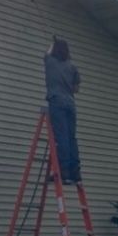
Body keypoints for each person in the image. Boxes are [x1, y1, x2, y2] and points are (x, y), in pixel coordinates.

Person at [44, 37, 81, 184]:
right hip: (71, 104)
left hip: (57, 102)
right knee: (71, 137)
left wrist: (52, 44)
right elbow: (76, 89)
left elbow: (46, 54)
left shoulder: (50, 62)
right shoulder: (72, 67)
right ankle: (75, 172)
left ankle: (63, 172)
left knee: (62, 137)